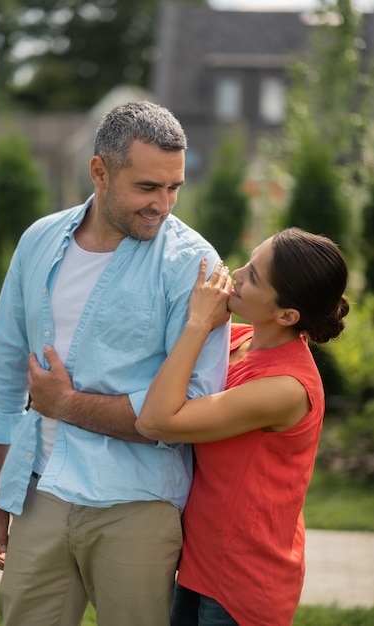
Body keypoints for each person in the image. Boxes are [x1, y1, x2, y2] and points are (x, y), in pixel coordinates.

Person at [0, 100, 230, 626]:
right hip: (40, 490)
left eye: (174, 187)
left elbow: (193, 411)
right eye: (147, 187)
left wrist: (65, 404)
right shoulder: (39, 241)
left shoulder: (194, 266)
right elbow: (0, 374)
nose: (164, 205)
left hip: (137, 505)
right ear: (99, 172)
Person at [135, 227, 350, 626]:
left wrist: (199, 325)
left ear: (287, 315)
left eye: (253, 276)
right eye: (249, 261)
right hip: (200, 560)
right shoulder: (239, 341)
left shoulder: (286, 388)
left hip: (244, 581)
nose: (236, 272)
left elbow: (156, 421)